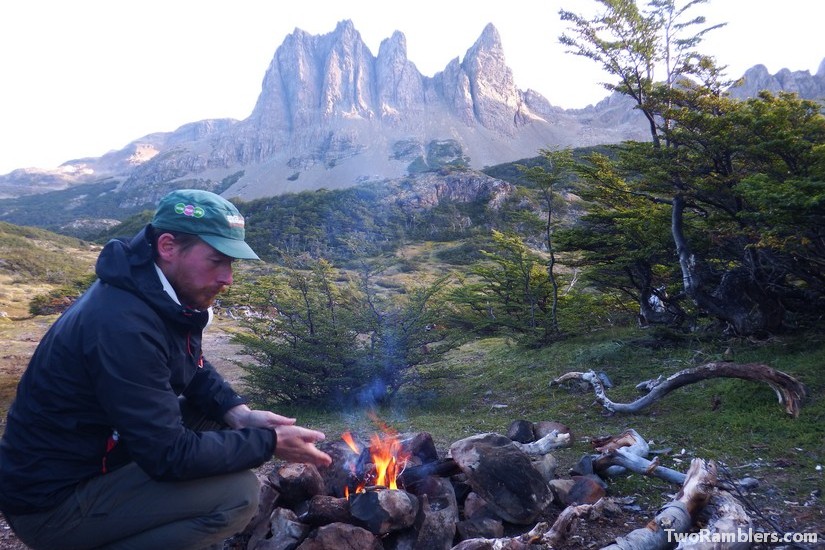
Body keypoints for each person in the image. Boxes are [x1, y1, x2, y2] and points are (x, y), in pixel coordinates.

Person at [0, 189, 332, 549]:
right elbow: (168, 456)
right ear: (168, 246)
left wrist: (240, 414)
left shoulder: (157, 293)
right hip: (53, 502)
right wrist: (269, 442)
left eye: (232, 264)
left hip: (96, 453)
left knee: (214, 417)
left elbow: (192, 367)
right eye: (217, 260)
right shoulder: (122, 325)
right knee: (237, 496)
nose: (228, 278)